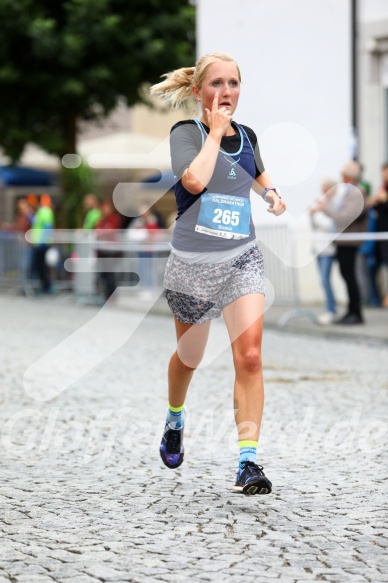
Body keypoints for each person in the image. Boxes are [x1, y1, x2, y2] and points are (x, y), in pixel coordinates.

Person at [150, 52, 286, 495]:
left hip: (241, 258)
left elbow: (255, 172)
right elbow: (194, 182)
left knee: (249, 355)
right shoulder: (186, 134)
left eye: (233, 84)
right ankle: (175, 416)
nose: (225, 92)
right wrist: (214, 133)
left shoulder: (246, 136)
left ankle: (248, 461)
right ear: (198, 91)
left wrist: (271, 194)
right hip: (193, 265)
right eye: (216, 84)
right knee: (189, 357)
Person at [317, 161, 367, 324]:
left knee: (350, 275)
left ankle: (356, 313)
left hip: (349, 241)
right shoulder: (348, 192)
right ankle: (351, 311)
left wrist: (326, 209)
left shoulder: (357, 192)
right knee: (346, 275)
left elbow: (345, 217)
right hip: (343, 241)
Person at [308, 179, 337, 324]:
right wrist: (313, 213)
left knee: (325, 280)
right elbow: (314, 223)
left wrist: (319, 211)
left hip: (328, 248)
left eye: (325, 188)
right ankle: (329, 309)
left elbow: (332, 225)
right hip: (318, 248)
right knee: (323, 280)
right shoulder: (321, 203)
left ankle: (331, 310)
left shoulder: (334, 204)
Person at [366, 162, 388, 307]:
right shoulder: (382, 189)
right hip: (380, 235)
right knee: (376, 266)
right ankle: (378, 297)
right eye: (383, 172)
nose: (384, 174)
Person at [94, 197, 123, 301]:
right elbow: (97, 231)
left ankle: (111, 294)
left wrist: (102, 232)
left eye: (107, 207)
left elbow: (108, 231)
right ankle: (105, 294)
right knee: (103, 273)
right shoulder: (102, 220)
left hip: (111, 251)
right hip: (102, 250)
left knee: (110, 273)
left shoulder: (114, 219)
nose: (105, 209)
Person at [30, 194, 55, 294]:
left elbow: (47, 227)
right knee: (39, 266)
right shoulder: (42, 211)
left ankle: (47, 286)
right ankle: (45, 286)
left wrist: (43, 241)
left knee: (41, 266)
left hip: (42, 244)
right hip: (39, 243)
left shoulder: (45, 211)